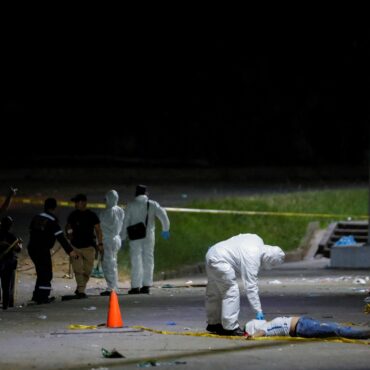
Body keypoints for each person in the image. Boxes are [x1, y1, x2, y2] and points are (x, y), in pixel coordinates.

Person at [205, 233, 285, 336]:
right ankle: (230, 327)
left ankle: (213, 323)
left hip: (212, 252)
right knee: (230, 291)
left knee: (214, 291)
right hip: (221, 260)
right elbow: (251, 287)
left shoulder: (257, 239)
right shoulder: (252, 258)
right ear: (268, 259)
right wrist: (258, 310)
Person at [28, 198, 78, 304]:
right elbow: (61, 238)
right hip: (42, 250)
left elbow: (32, 231)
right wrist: (70, 251)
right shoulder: (52, 220)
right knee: (46, 274)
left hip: (32, 248)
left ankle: (37, 296)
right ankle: (43, 298)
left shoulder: (36, 217)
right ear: (55, 208)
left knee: (41, 272)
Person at [121, 185, 170, 295]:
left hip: (134, 236)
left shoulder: (131, 205)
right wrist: (165, 229)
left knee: (136, 259)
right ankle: (146, 285)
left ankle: (135, 286)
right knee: (148, 259)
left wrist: (122, 236)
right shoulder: (152, 204)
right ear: (146, 193)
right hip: (149, 235)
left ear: (136, 193)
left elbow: (125, 221)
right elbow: (163, 216)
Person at [66, 193, 103, 298]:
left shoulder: (92, 215)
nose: (75, 205)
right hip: (75, 247)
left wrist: (100, 244)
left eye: (77, 202)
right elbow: (68, 226)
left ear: (83, 203)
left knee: (87, 271)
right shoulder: (73, 215)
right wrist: (69, 234)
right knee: (78, 270)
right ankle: (81, 291)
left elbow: (98, 230)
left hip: (89, 247)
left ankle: (80, 288)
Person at [245, 316, 370, 339]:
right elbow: (261, 332)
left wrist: (251, 336)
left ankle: (363, 332)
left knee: (334, 329)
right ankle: (363, 333)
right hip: (303, 325)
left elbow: (261, 331)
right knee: (334, 329)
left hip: (303, 325)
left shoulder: (268, 325)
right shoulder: (267, 325)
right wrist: (252, 336)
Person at [99, 189, 125, 296]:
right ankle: (115, 285)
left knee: (108, 264)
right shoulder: (120, 210)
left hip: (108, 240)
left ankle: (111, 287)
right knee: (114, 263)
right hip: (117, 239)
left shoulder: (105, 213)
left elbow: (100, 228)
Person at [0, 216, 22, 310]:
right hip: (8, 263)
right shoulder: (12, 236)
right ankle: (7, 304)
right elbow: (18, 249)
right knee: (7, 285)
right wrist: (19, 244)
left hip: (4, 262)